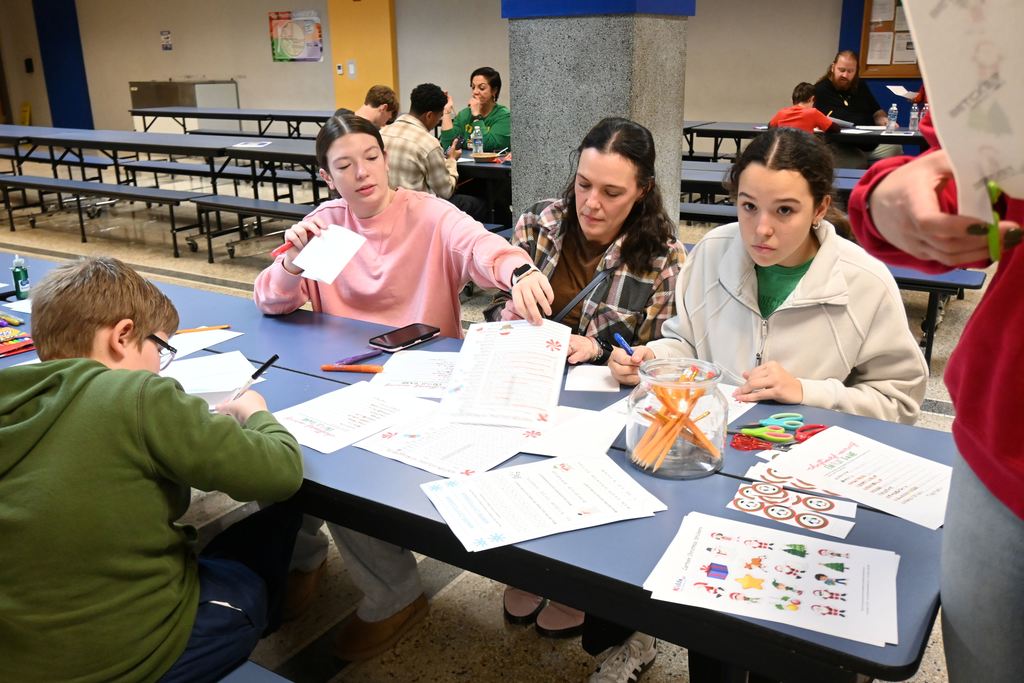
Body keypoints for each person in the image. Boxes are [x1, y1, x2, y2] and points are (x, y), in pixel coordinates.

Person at [599, 127, 927, 681]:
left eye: (786, 210)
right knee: (713, 629)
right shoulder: (712, 254)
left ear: (821, 207)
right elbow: (687, 338)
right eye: (748, 206)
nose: (762, 229)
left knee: (796, 649)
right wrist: (657, 358)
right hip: (714, 473)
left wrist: (809, 391)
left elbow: (900, 405)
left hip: (810, 494)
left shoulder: (865, 283)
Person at [253, 113, 553, 660]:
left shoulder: (430, 214)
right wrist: (293, 263)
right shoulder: (326, 225)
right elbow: (271, 302)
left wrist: (519, 271)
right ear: (327, 176)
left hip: (422, 383)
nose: (363, 173)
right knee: (267, 444)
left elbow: (484, 248)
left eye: (371, 157)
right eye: (345, 166)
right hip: (339, 378)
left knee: (342, 471)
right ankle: (303, 555)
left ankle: (393, 593)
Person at [0, 257, 304, 682]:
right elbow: (280, 471)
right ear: (123, 336)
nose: (162, 365)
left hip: (20, 657)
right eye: (160, 349)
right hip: (123, 661)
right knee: (254, 560)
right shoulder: (138, 394)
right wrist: (257, 413)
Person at [486, 116, 684, 638]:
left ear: (641, 193)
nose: (591, 203)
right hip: (530, 385)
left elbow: (664, 352)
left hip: (602, 406)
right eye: (583, 185)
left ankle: (574, 580)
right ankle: (525, 565)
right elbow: (499, 300)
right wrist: (508, 315)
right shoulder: (537, 223)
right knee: (514, 481)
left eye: (611, 192)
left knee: (585, 494)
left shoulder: (663, 256)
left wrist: (604, 350)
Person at [848, 113, 1022, 683]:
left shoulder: (858, 282)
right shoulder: (715, 257)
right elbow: (979, 189)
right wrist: (891, 200)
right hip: (1006, 451)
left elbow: (899, 391)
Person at [380, 82, 487, 221]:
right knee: (478, 205)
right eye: (439, 117)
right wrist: (452, 161)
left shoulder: (382, 133)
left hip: (388, 209)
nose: (438, 121)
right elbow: (446, 191)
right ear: (429, 116)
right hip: (419, 214)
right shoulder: (428, 143)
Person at [813, 50, 901, 167]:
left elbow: (876, 111)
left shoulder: (860, 86)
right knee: (857, 161)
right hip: (841, 144)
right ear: (833, 67)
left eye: (850, 71)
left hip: (869, 141)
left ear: (856, 72)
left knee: (895, 148)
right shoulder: (820, 90)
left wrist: (883, 119)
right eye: (842, 70)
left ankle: (882, 183)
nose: (845, 75)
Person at [439, 66, 511, 153]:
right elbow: (448, 146)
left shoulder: (504, 116)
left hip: (491, 165)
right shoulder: (464, 114)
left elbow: (487, 146)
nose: (475, 92)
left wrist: (477, 117)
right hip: (464, 165)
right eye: (473, 87)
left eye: (481, 88)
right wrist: (446, 111)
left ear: (494, 90)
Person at [769, 82, 841, 134]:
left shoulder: (782, 113)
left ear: (792, 99)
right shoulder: (813, 113)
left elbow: (770, 126)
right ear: (812, 99)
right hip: (804, 152)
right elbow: (835, 129)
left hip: (784, 152)